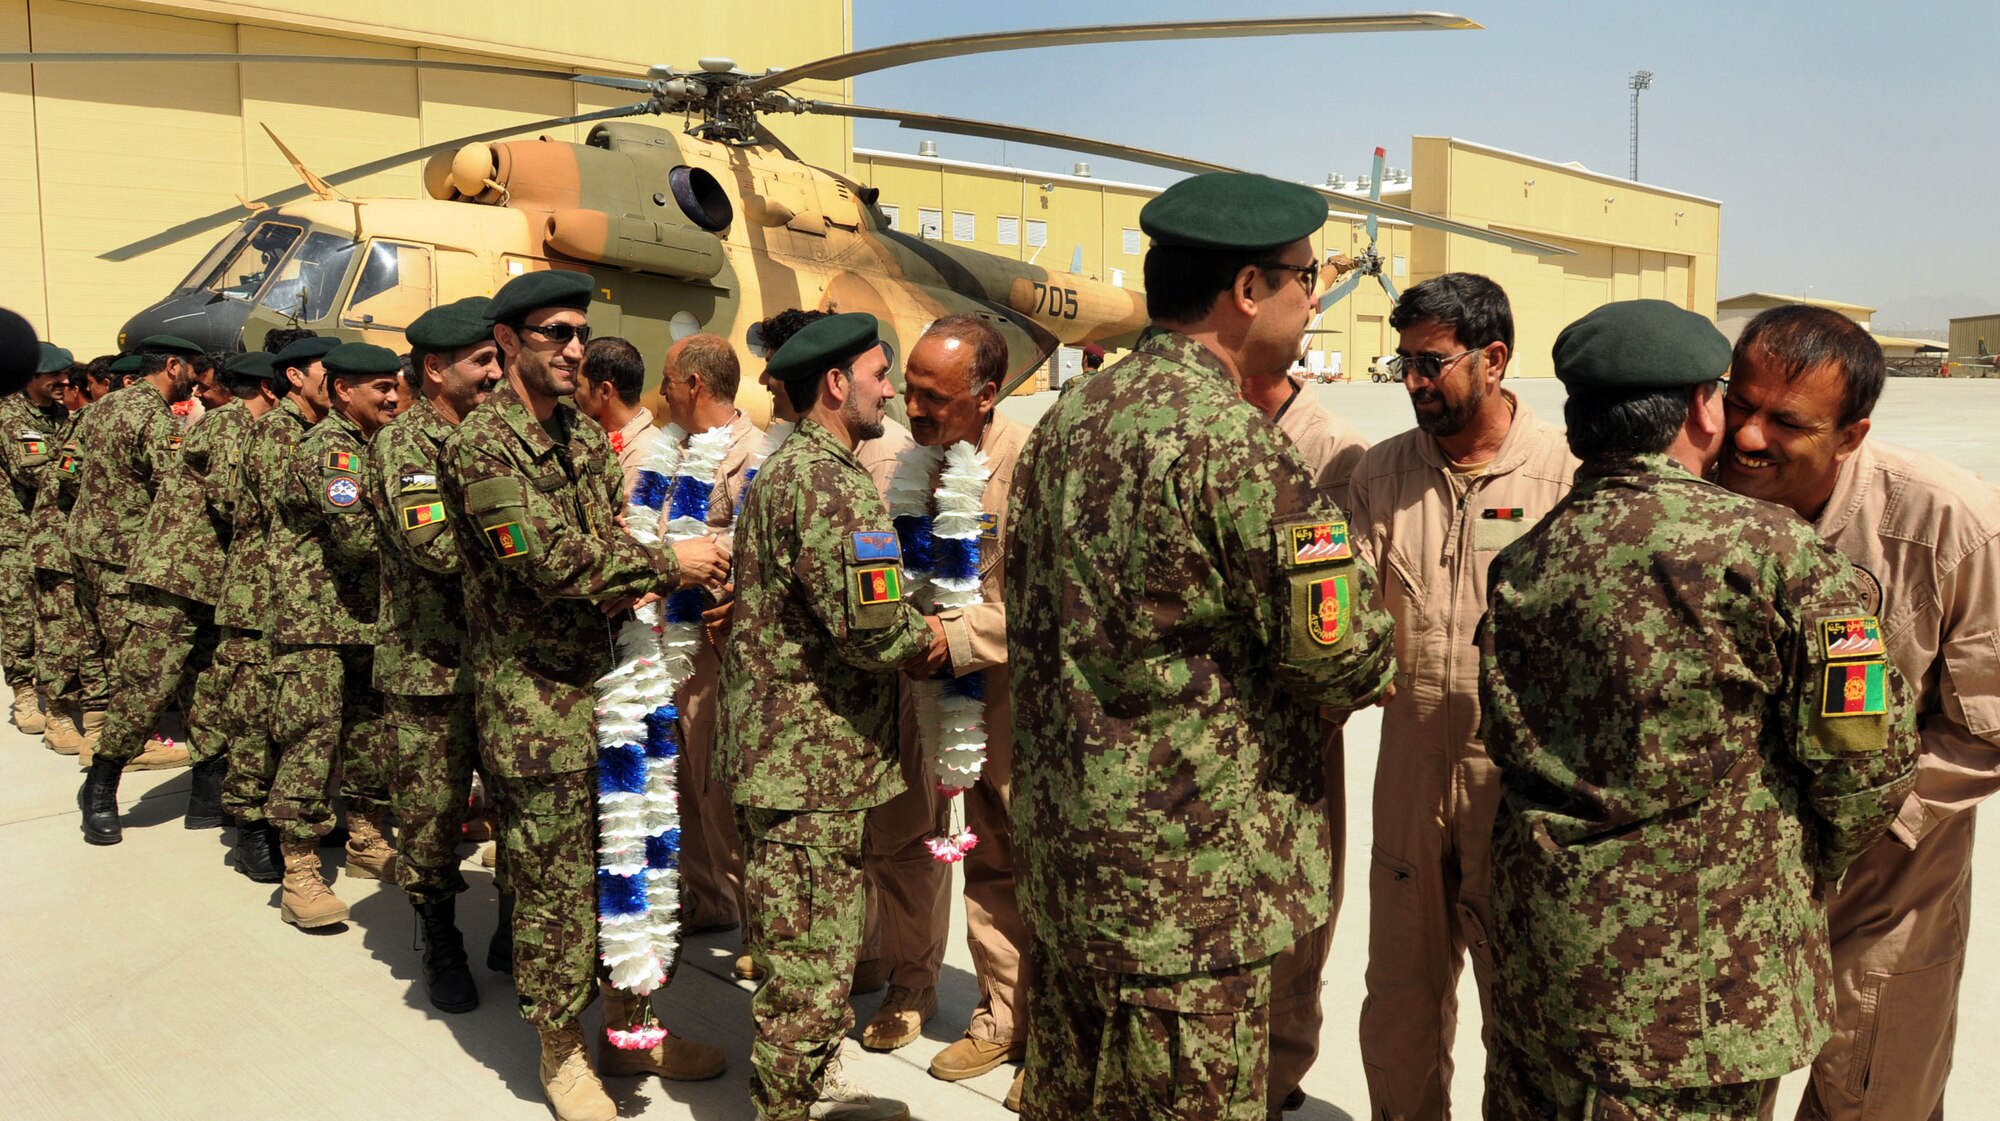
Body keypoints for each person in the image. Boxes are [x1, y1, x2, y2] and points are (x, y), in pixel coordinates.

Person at [1006, 171, 1396, 1120]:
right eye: (1305, 278)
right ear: (1248, 291)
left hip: (1072, 870)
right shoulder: (1235, 444)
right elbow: (1343, 653)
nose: (1314, 298)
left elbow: (1023, 602)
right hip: (1190, 897)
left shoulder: (1066, 422)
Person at [1479, 299, 1919, 1119]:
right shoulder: (1776, 555)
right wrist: (1790, 867)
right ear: (1702, 407)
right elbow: (1866, 766)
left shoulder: (1525, 560)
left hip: (1546, 975)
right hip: (1700, 1000)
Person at [439, 269, 728, 1121]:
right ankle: (561, 1051)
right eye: (552, 333)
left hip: (607, 685)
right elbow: (542, 559)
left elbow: (602, 541)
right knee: (556, 885)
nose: (572, 348)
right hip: (535, 702)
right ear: (506, 343)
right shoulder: (482, 447)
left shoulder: (573, 434)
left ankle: (631, 1025)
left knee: (626, 862)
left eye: (578, 332)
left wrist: (646, 577)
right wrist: (667, 564)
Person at [1712, 305, 2000, 1121]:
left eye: (1785, 422)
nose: (1748, 438)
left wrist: (1873, 817)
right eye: (1740, 404)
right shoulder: (1697, 500)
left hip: (1887, 892)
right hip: (1731, 889)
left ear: (1852, 434)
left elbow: (1987, 726)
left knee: (1876, 1098)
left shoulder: (1950, 525)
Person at [1346, 273, 1579, 1120]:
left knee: (1522, 1015)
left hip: (1516, 796)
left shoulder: (1566, 476)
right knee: (1399, 1011)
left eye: (1431, 363)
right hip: (1408, 781)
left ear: (1495, 358)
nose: (1412, 382)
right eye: (1402, 361)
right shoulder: (1380, 475)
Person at [718, 311, 948, 1121]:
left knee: (804, 945)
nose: (889, 389)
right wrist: (946, 638)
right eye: (880, 374)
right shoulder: (831, 484)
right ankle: (787, 1105)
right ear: (836, 384)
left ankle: (810, 1085)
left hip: (794, 755)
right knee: (809, 962)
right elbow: (871, 628)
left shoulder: (789, 469)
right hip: (808, 762)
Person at [893, 316, 1037, 1104]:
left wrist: (955, 635)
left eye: (932, 396)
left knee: (1039, 869)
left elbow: (1046, 604)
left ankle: (1053, 1041)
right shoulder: (917, 465)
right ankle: (1001, 1015)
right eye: (909, 390)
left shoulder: (1026, 463)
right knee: (983, 861)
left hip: (1015, 697)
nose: (913, 408)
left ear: (986, 397)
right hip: (943, 691)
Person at [1239, 328, 1374, 1116]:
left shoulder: (1332, 451)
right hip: (1226, 718)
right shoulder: (1217, 433)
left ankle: (1281, 1068)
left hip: (1300, 714)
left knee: (1297, 899)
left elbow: (1340, 612)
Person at [364, 299, 504, 1011]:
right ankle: (440, 939)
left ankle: (512, 924)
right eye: (482, 360)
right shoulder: (404, 446)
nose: (495, 372)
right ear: (435, 368)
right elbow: (437, 547)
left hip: (501, 661)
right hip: (431, 667)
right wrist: (528, 550)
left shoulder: (495, 434)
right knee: (431, 814)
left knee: (515, 804)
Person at [261, 342, 402, 926]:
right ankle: (299, 873)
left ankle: (366, 840)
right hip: (314, 621)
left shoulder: (375, 444)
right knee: (310, 741)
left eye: (396, 385)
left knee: (369, 735)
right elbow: (361, 538)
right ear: (345, 391)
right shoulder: (331, 451)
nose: (394, 396)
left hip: (364, 620)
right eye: (380, 388)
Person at [73, 335, 204, 844]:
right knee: (145, 671)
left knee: (138, 665)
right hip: (131, 560)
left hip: (93, 548)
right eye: (190, 369)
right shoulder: (155, 418)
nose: (194, 378)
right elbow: (176, 485)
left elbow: (71, 472)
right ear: (173, 367)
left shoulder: (103, 407)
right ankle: (101, 785)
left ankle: (208, 789)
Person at [214, 334, 334, 882]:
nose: (334, 380)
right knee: (255, 717)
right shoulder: (276, 435)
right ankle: (250, 828)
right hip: (260, 595)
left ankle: (289, 819)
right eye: (324, 371)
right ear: (294, 378)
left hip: (298, 596)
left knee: (296, 716)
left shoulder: (316, 432)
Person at [657, 332, 760, 935]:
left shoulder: (757, 454)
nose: (664, 394)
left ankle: (758, 921)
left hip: (718, 652)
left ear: (694, 384)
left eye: (670, 382)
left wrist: (677, 551)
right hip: (667, 645)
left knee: (723, 798)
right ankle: (706, 897)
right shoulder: (668, 451)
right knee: (679, 792)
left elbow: (753, 543)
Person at [28, 359, 101, 757]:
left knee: (86, 633)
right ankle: (55, 714)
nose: (62, 382)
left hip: (80, 542)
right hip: (54, 542)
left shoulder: (73, 418)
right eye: (52, 375)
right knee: (59, 632)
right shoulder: (80, 422)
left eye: (65, 376)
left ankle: (90, 716)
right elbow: (58, 476)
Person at [1, 341, 71, 736]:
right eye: (54, 377)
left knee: (52, 615)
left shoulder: (60, 414)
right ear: (31, 379)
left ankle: (53, 688)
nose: (64, 381)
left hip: (51, 532)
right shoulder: (11, 416)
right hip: (16, 533)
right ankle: (25, 692)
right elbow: (36, 472)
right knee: (18, 615)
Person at [575, 334, 660, 498]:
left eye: (578, 385)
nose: (572, 395)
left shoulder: (644, 459)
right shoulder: (597, 437)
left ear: (605, 391)